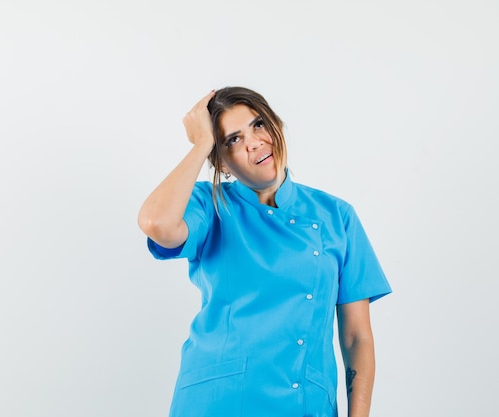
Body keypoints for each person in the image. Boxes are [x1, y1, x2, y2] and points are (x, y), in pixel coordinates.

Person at [137, 86, 392, 417]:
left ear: (276, 125)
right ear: (222, 163)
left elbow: (357, 338)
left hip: (303, 404)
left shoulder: (336, 216)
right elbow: (156, 222)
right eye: (233, 140)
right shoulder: (210, 204)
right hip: (216, 401)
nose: (254, 142)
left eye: (259, 125)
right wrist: (201, 144)